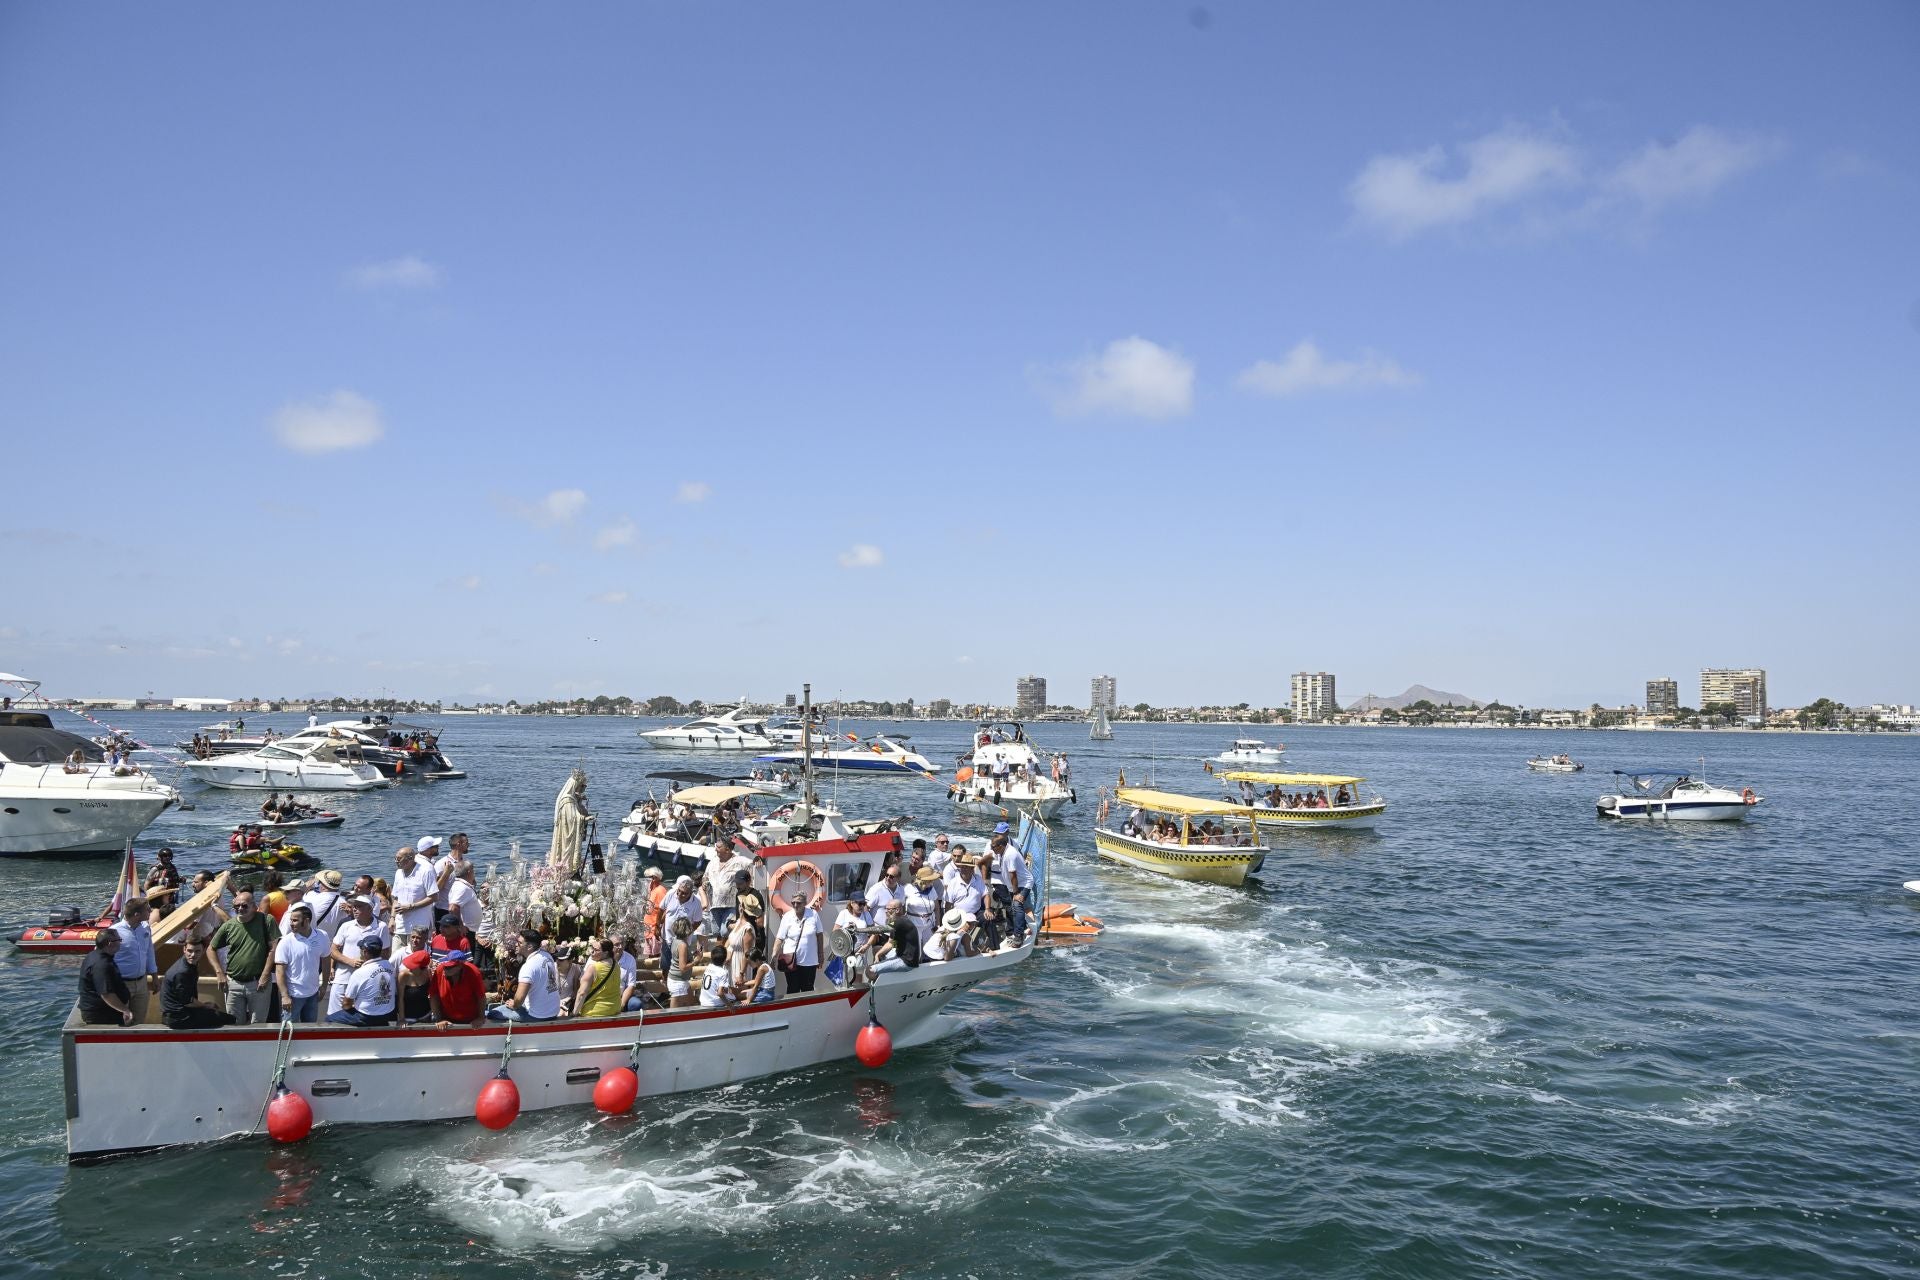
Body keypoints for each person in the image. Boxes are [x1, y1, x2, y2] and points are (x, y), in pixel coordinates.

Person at [209, 891, 279, 1023]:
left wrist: (265, 975)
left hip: (258, 983)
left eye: (244, 906)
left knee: (258, 1024)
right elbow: (211, 949)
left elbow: (273, 948)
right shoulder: (228, 926)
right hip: (233, 983)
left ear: (254, 906)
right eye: (237, 906)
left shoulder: (266, 920)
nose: (240, 909)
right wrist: (219, 972)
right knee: (234, 1023)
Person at [327, 896, 391, 1016]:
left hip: (367, 982)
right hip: (343, 978)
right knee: (333, 1015)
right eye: (354, 906)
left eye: (359, 906)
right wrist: (350, 962)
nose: (355, 909)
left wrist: (367, 967)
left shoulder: (381, 927)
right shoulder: (346, 925)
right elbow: (333, 950)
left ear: (370, 909)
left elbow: (385, 954)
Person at [273, 903, 331, 1023]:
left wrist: (324, 986)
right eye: (291, 920)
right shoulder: (285, 942)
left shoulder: (322, 936)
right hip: (292, 996)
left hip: (313, 994)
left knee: (309, 1031)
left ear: (307, 921)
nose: (291, 923)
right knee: (288, 1032)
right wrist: (285, 996)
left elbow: (326, 962)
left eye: (295, 920)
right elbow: (280, 972)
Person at [108, 896, 162, 1025]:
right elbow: (102, 957)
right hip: (122, 984)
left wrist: (155, 977)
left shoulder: (145, 928)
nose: (150, 911)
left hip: (141, 983)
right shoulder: (114, 931)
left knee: (139, 1020)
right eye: (148, 910)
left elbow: (149, 952)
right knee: (122, 1021)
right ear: (137, 914)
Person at [490, 930, 561, 1022]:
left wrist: (514, 1005)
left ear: (530, 947)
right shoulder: (547, 956)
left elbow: (519, 999)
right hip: (553, 1011)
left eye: (519, 943)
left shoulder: (528, 966)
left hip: (536, 1016)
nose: (516, 945)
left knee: (492, 1013)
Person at [326, 937, 397, 1026]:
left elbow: (346, 1004)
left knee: (329, 1019)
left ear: (364, 952)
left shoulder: (359, 973)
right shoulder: (389, 966)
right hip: (387, 1014)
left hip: (367, 1017)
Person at [79, 931, 136, 1025]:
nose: (120, 942)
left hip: (105, 1012)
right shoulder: (102, 965)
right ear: (110, 943)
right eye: (119, 940)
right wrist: (125, 1010)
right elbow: (107, 994)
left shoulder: (94, 955)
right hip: (102, 1015)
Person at [775, 890, 823, 993]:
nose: (795, 905)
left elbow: (819, 935)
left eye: (799, 902)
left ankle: (808, 1009)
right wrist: (773, 956)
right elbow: (780, 938)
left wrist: (820, 954)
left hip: (809, 960)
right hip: (791, 960)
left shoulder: (813, 914)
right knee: (793, 988)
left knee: (808, 989)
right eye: (793, 902)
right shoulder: (787, 916)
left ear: (805, 903)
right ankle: (791, 1009)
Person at [390, 842, 440, 939]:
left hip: (418, 926)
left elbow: (434, 897)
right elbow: (396, 898)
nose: (396, 861)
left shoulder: (426, 871)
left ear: (410, 858)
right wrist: (392, 918)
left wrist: (411, 906)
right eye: (395, 858)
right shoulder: (398, 873)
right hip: (400, 925)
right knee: (397, 953)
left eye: (399, 859)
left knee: (417, 954)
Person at [430, 948, 488, 1029]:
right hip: (446, 1020)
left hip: (471, 1020)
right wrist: (439, 1019)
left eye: (449, 967)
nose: (445, 970)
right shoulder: (439, 970)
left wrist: (481, 1018)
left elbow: (481, 997)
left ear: (460, 966)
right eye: (445, 966)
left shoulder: (474, 972)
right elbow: (433, 996)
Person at [704, 840, 752, 935]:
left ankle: (728, 949)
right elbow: (705, 876)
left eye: (718, 847)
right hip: (714, 904)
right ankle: (720, 950)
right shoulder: (713, 861)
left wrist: (758, 858)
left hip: (731, 904)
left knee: (725, 931)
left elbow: (752, 863)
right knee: (716, 932)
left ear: (727, 849)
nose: (715, 849)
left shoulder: (740, 861)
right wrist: (704, 882)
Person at [574, 938, 626, 1018]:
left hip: (594, 1013)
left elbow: (582, 993)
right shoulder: (616, 965)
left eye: (596, 950)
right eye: (592, 948)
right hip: (614, 1010)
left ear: (606, 953)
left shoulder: (593, 968)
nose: (592, 952)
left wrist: (574, 1013)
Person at [834, 891, 876, 986]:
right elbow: (835, 933)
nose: (862, 906)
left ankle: (855, 998)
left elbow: (874, 933)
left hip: (860, 952)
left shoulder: (866, 914)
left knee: (857, 978)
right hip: (844, 953)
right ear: (852, 903)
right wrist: (847, 930)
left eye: (863, 903)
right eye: (859, 903)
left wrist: (867, 945)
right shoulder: (843, 914)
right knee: (843, 978)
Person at [395, 926, 434, 1022]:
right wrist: (402, 1019)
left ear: (425, 939)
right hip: (408, 1016)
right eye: (412, 937)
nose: (414, 940)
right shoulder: (399, 954)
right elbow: (400, 998)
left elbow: (432, 995)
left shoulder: (431, 955)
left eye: (418, 938)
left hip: (426, 1015)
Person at [664, 918, 697, 1008]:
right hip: (678, 982)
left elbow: (680, 957)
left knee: (691, 1004)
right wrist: (696, 961)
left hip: (680, 980)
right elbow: (682, 968)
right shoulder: (683, 944)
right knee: (675, 1013)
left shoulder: (675, 940)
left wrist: (693, 954)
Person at [306, 869, 349, 938]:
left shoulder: (310, 897)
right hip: (333, 943)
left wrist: (306, 888)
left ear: (322, 884)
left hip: (312, 939)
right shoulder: (345, 903)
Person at [905, 866, 942, 947]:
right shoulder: (908, 889)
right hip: (914, 926)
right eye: (930, 880)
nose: (932, 882)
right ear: (923, 881)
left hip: (930, 925)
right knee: (916, 950)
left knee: (929, 948)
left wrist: (938, 924)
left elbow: (937, 908)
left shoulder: (931, 889)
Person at [663, 875, 704, 942]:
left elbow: (698, 921)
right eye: (679, 890)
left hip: (683, 941)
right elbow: (662, 910)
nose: (679, 894)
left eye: (684, 893)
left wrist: (686, 933)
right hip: (667, 938)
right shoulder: (671, 893)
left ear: (691, 893)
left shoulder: (696, 902)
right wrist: (657, 926)